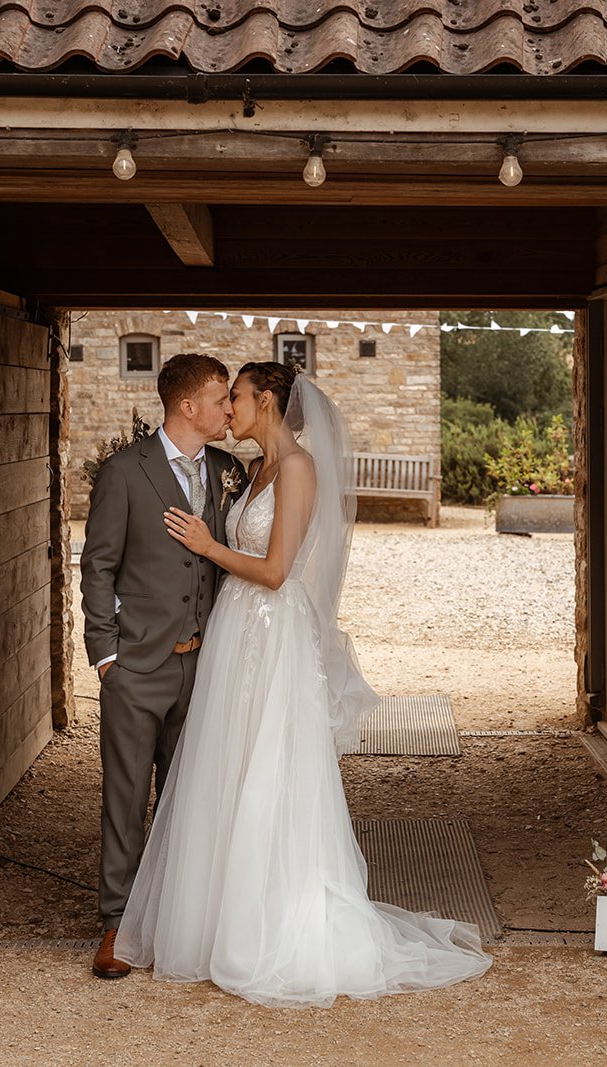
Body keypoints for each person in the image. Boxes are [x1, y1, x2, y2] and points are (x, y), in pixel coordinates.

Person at [114, 361, 492, 1007]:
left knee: (270, 765)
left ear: (266, 400)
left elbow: (278, 570)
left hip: (270, 631)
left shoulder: (296, 468)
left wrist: (206, 544)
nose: (228, 406)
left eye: (235, 395)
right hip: (237, 632)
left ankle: (272, 924)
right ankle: (217, 919)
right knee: (226, 766)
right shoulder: (255, 469)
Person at [79, 352, 246, 980]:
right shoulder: (126, 472)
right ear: (187, 406)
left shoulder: (231, 471)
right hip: (137, 666)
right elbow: (97, 566)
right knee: (125, 797)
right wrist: (107, 655)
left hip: (205, 664)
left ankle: (179, 919)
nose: (230, 407)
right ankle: (117, 924)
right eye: (221, 397)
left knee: (188, 796)